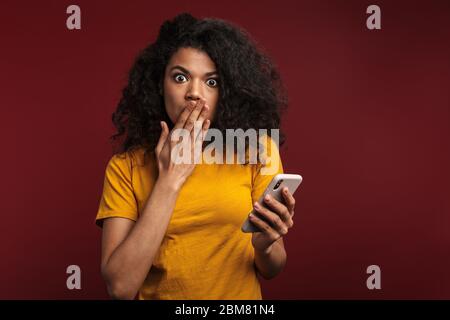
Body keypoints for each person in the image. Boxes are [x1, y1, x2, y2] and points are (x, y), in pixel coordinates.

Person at [95, 13, 296, 300]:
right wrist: (170, 179)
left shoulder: (257, 150)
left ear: (228, 93)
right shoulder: (125, 168)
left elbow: (272, 267)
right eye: (180, 77)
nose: (194, 94)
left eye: (211, 82)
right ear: (159, 85)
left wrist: (265, 245)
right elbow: (120, 288)